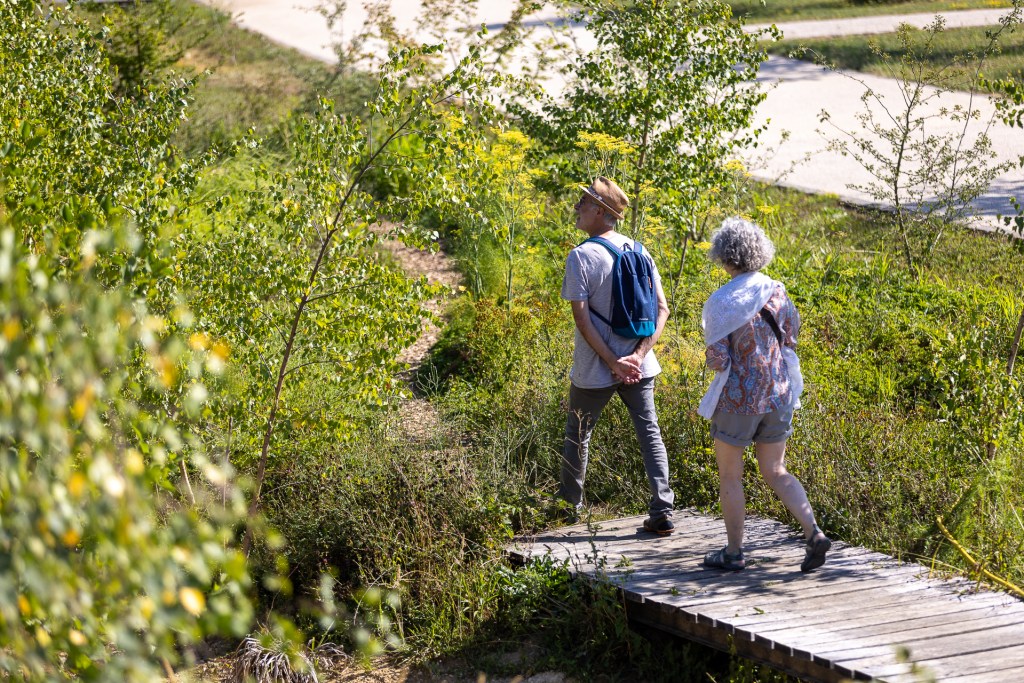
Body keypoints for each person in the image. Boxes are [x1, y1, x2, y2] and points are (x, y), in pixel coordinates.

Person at [699, 217, 830, 572]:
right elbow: (791, 338)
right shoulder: (777, 291)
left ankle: (734, 552)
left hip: (738, 401)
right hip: (778, 394)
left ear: (724, 257)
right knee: (775, 468)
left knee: (730, 476)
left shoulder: (721, 302)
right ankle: (814, 532)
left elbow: (718, 359)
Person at [559, 176, 675, 533]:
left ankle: (568, 511)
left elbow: (581, 317)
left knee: (578, 433)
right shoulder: (640, 251)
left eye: (582, 202)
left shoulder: (581, 256)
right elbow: (663, 310)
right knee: (649, 432)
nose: (577, 207)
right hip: (641, 367)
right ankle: (663, 510)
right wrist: (637, 357)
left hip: (597, 368)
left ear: (599, 211)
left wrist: (613, 362)